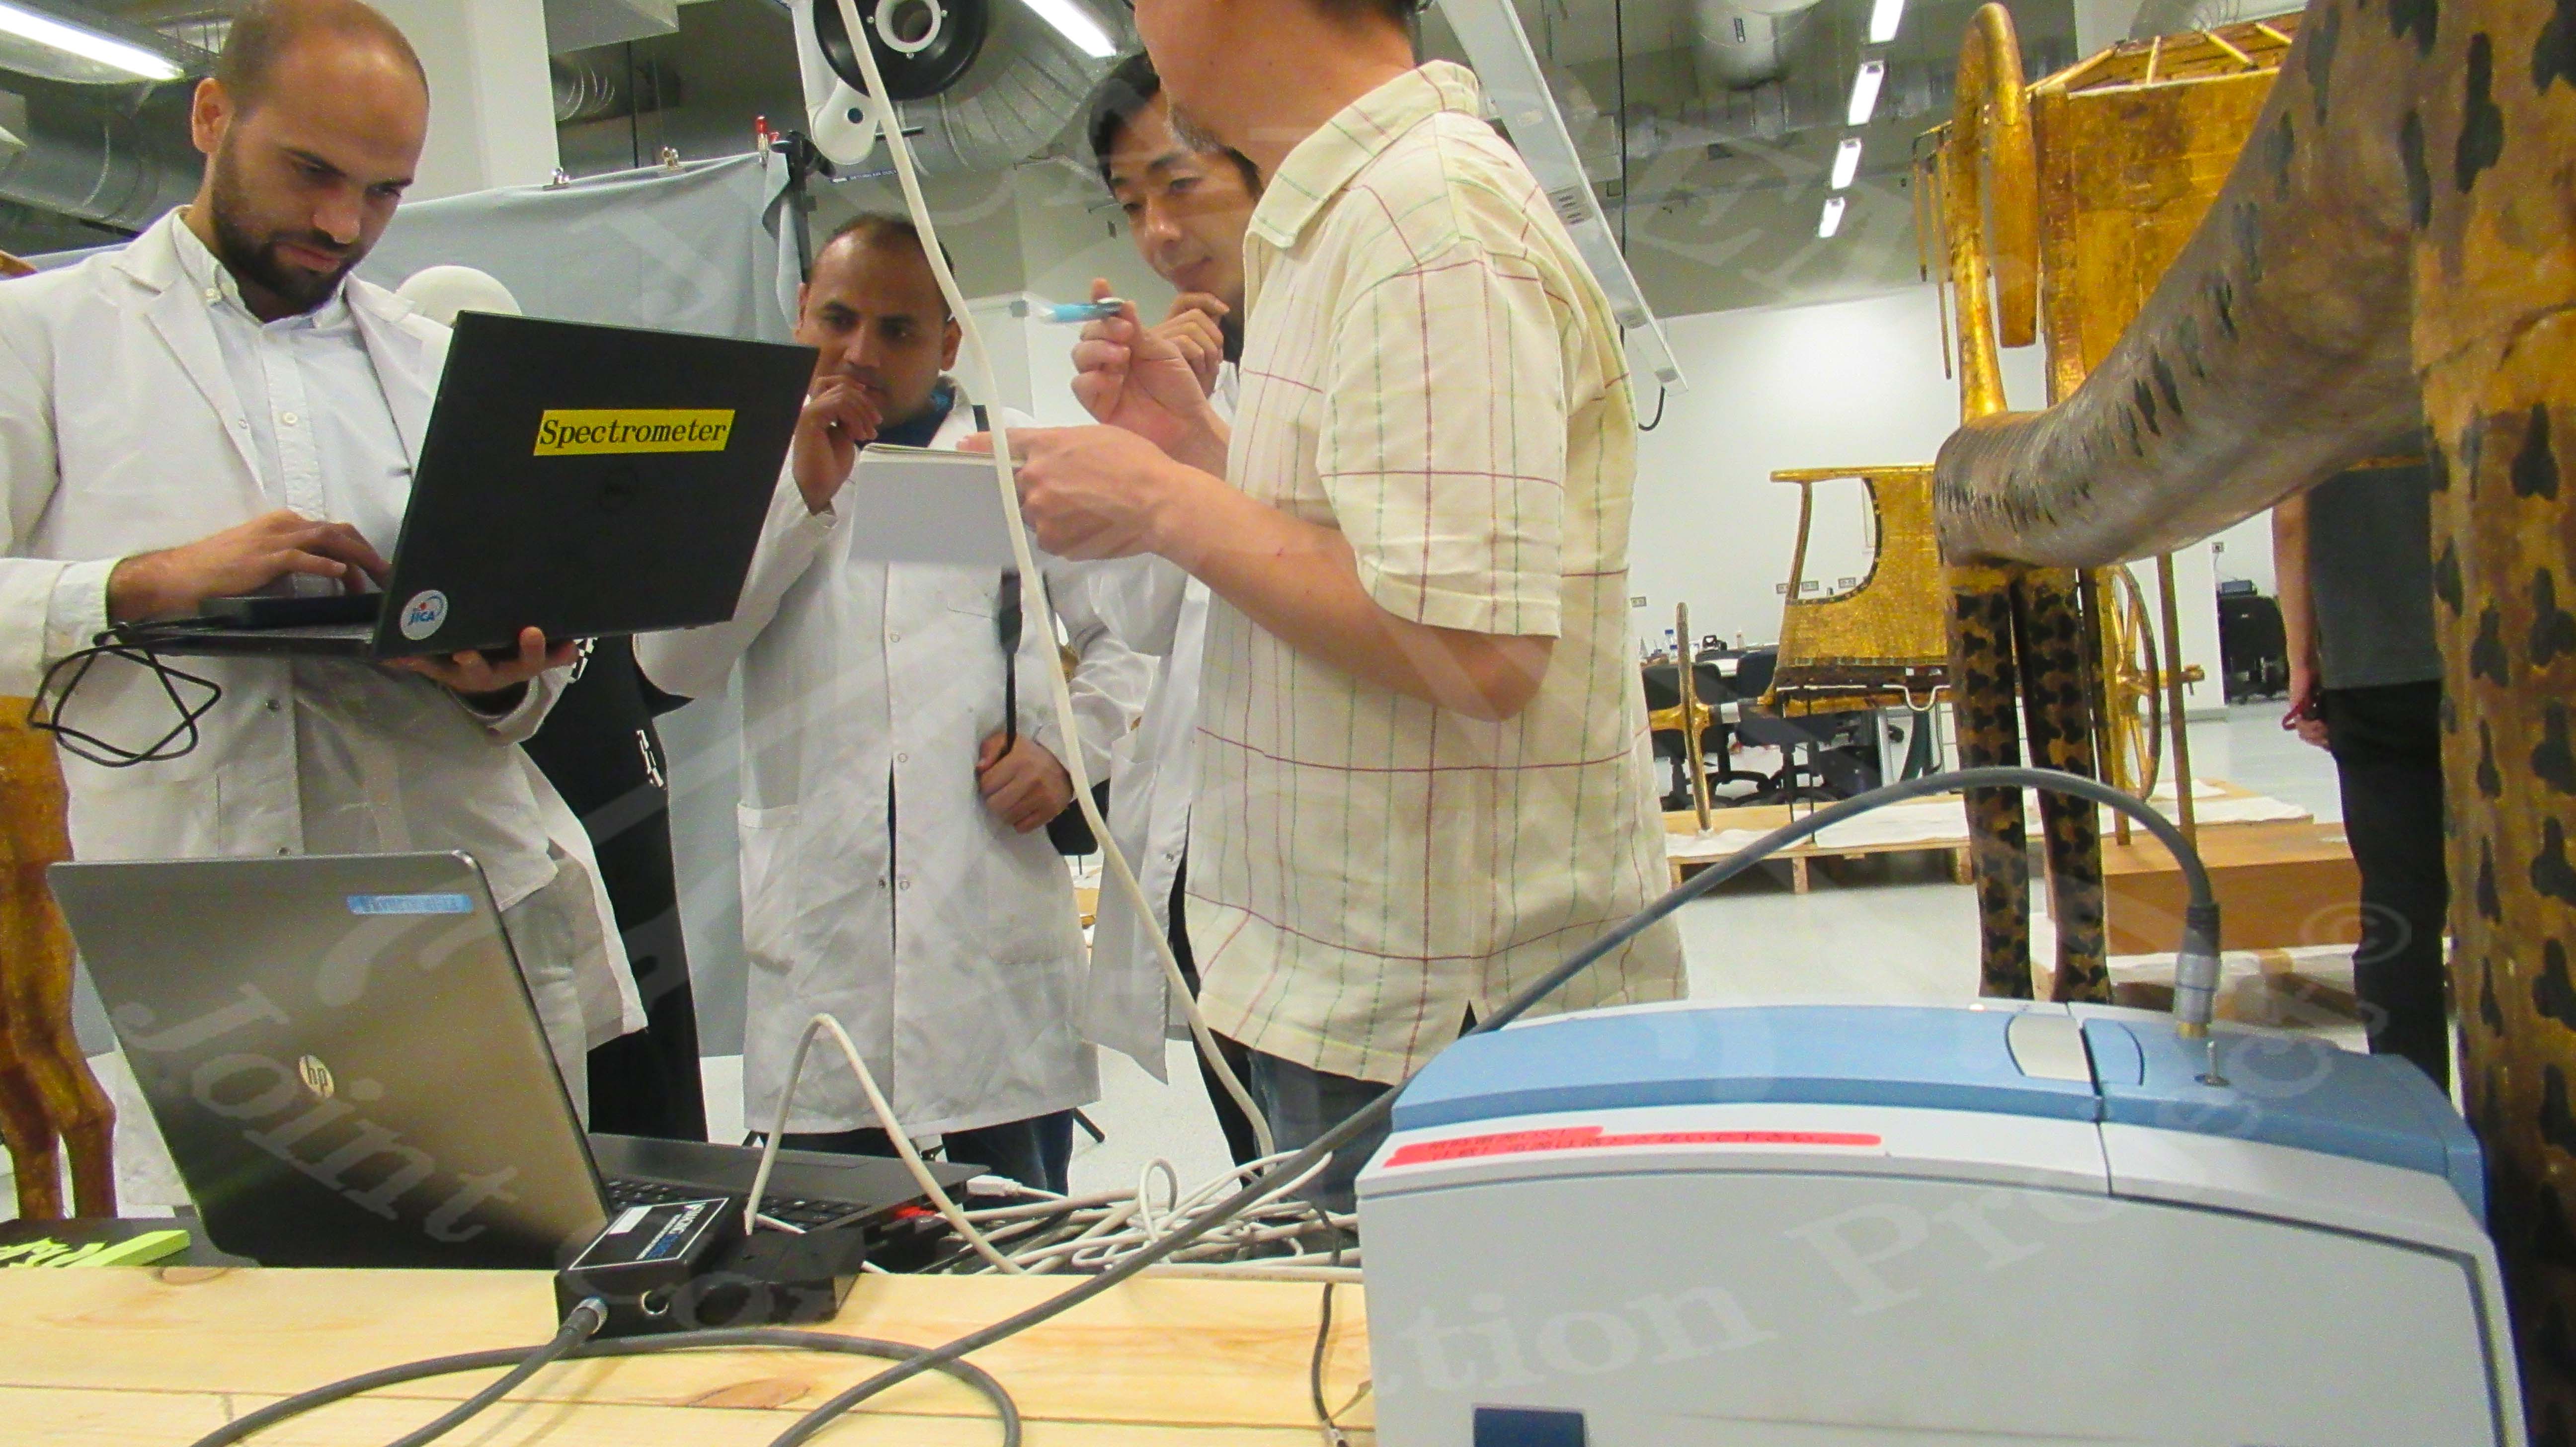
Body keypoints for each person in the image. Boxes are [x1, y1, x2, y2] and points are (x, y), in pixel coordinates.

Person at [994, 0, 1688, 1211]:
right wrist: (1197, 452)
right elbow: (1375, 555)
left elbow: (1475, 653)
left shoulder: (1428, 223)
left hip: (1442, 1012)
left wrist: (1160, 500)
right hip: (1371, 989)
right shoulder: (1353, 220)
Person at [0, 0, 633, 1105]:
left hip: (454, 919)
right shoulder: (43, 337)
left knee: (505, 1220)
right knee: (248, 1222)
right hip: (206, 943)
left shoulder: (441, 368)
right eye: (311, 172)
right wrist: (142, 583)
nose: (342, 224)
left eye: (384, 191)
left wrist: (499, 678)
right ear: (212, 116)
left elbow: (525, 693)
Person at [637, 215, 1144, 1194]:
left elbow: (1133, 643)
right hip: (826, 972)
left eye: (899, 330)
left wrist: (1067, 751)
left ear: (949, 342)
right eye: (837, 319)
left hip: (991, 975)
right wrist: (800, 501)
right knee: (834, 1265)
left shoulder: (1008, 462)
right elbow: (673, 664)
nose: (861, 353)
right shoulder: (745, 470)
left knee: (1018, 1255)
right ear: (799, 314)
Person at [1078, 51, 1264, 1167]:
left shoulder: (1337, 363)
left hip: (1310, 864)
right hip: (1201, 863)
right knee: (1270, 1178)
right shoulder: (1190, 372)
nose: (1157, 233)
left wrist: (1199, 449)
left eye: (1180, 185)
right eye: (1129, 204)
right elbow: (1144, 621)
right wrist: (1145, 443)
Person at [2275, 466, 2451, 1089]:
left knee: (2400, 906)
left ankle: (2416, 1104)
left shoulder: (2322, 412)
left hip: (2373, 671)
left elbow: (2293, 520)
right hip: (2504, 659)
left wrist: (2302, 661)